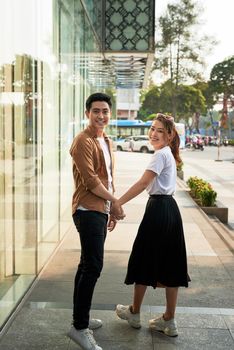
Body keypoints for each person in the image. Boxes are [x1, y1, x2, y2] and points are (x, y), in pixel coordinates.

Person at [111, 113, 190, 337]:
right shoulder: (168, 154)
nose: (154, 134)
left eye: (160, 131)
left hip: (157, 210)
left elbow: (143, 183)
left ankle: (135, 312)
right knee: (171, 263)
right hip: (170, 210)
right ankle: (169, 320)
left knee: (143, 258)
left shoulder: (159, 156)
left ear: (169, 135)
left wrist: (118, 202)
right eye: (152, 129)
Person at [68, 92, 124, 350]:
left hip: (100, 209)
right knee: (93, 266)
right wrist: (115, 202)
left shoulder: (106, 140)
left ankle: (81, 319)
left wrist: (110, 206)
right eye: (96, 111)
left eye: (105, 111)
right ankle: (80, 328)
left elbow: (109, 176)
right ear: (87, 114)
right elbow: (91, 181)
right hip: (87, 209)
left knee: (86, 265)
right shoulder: (83, 141)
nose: (101, 116)